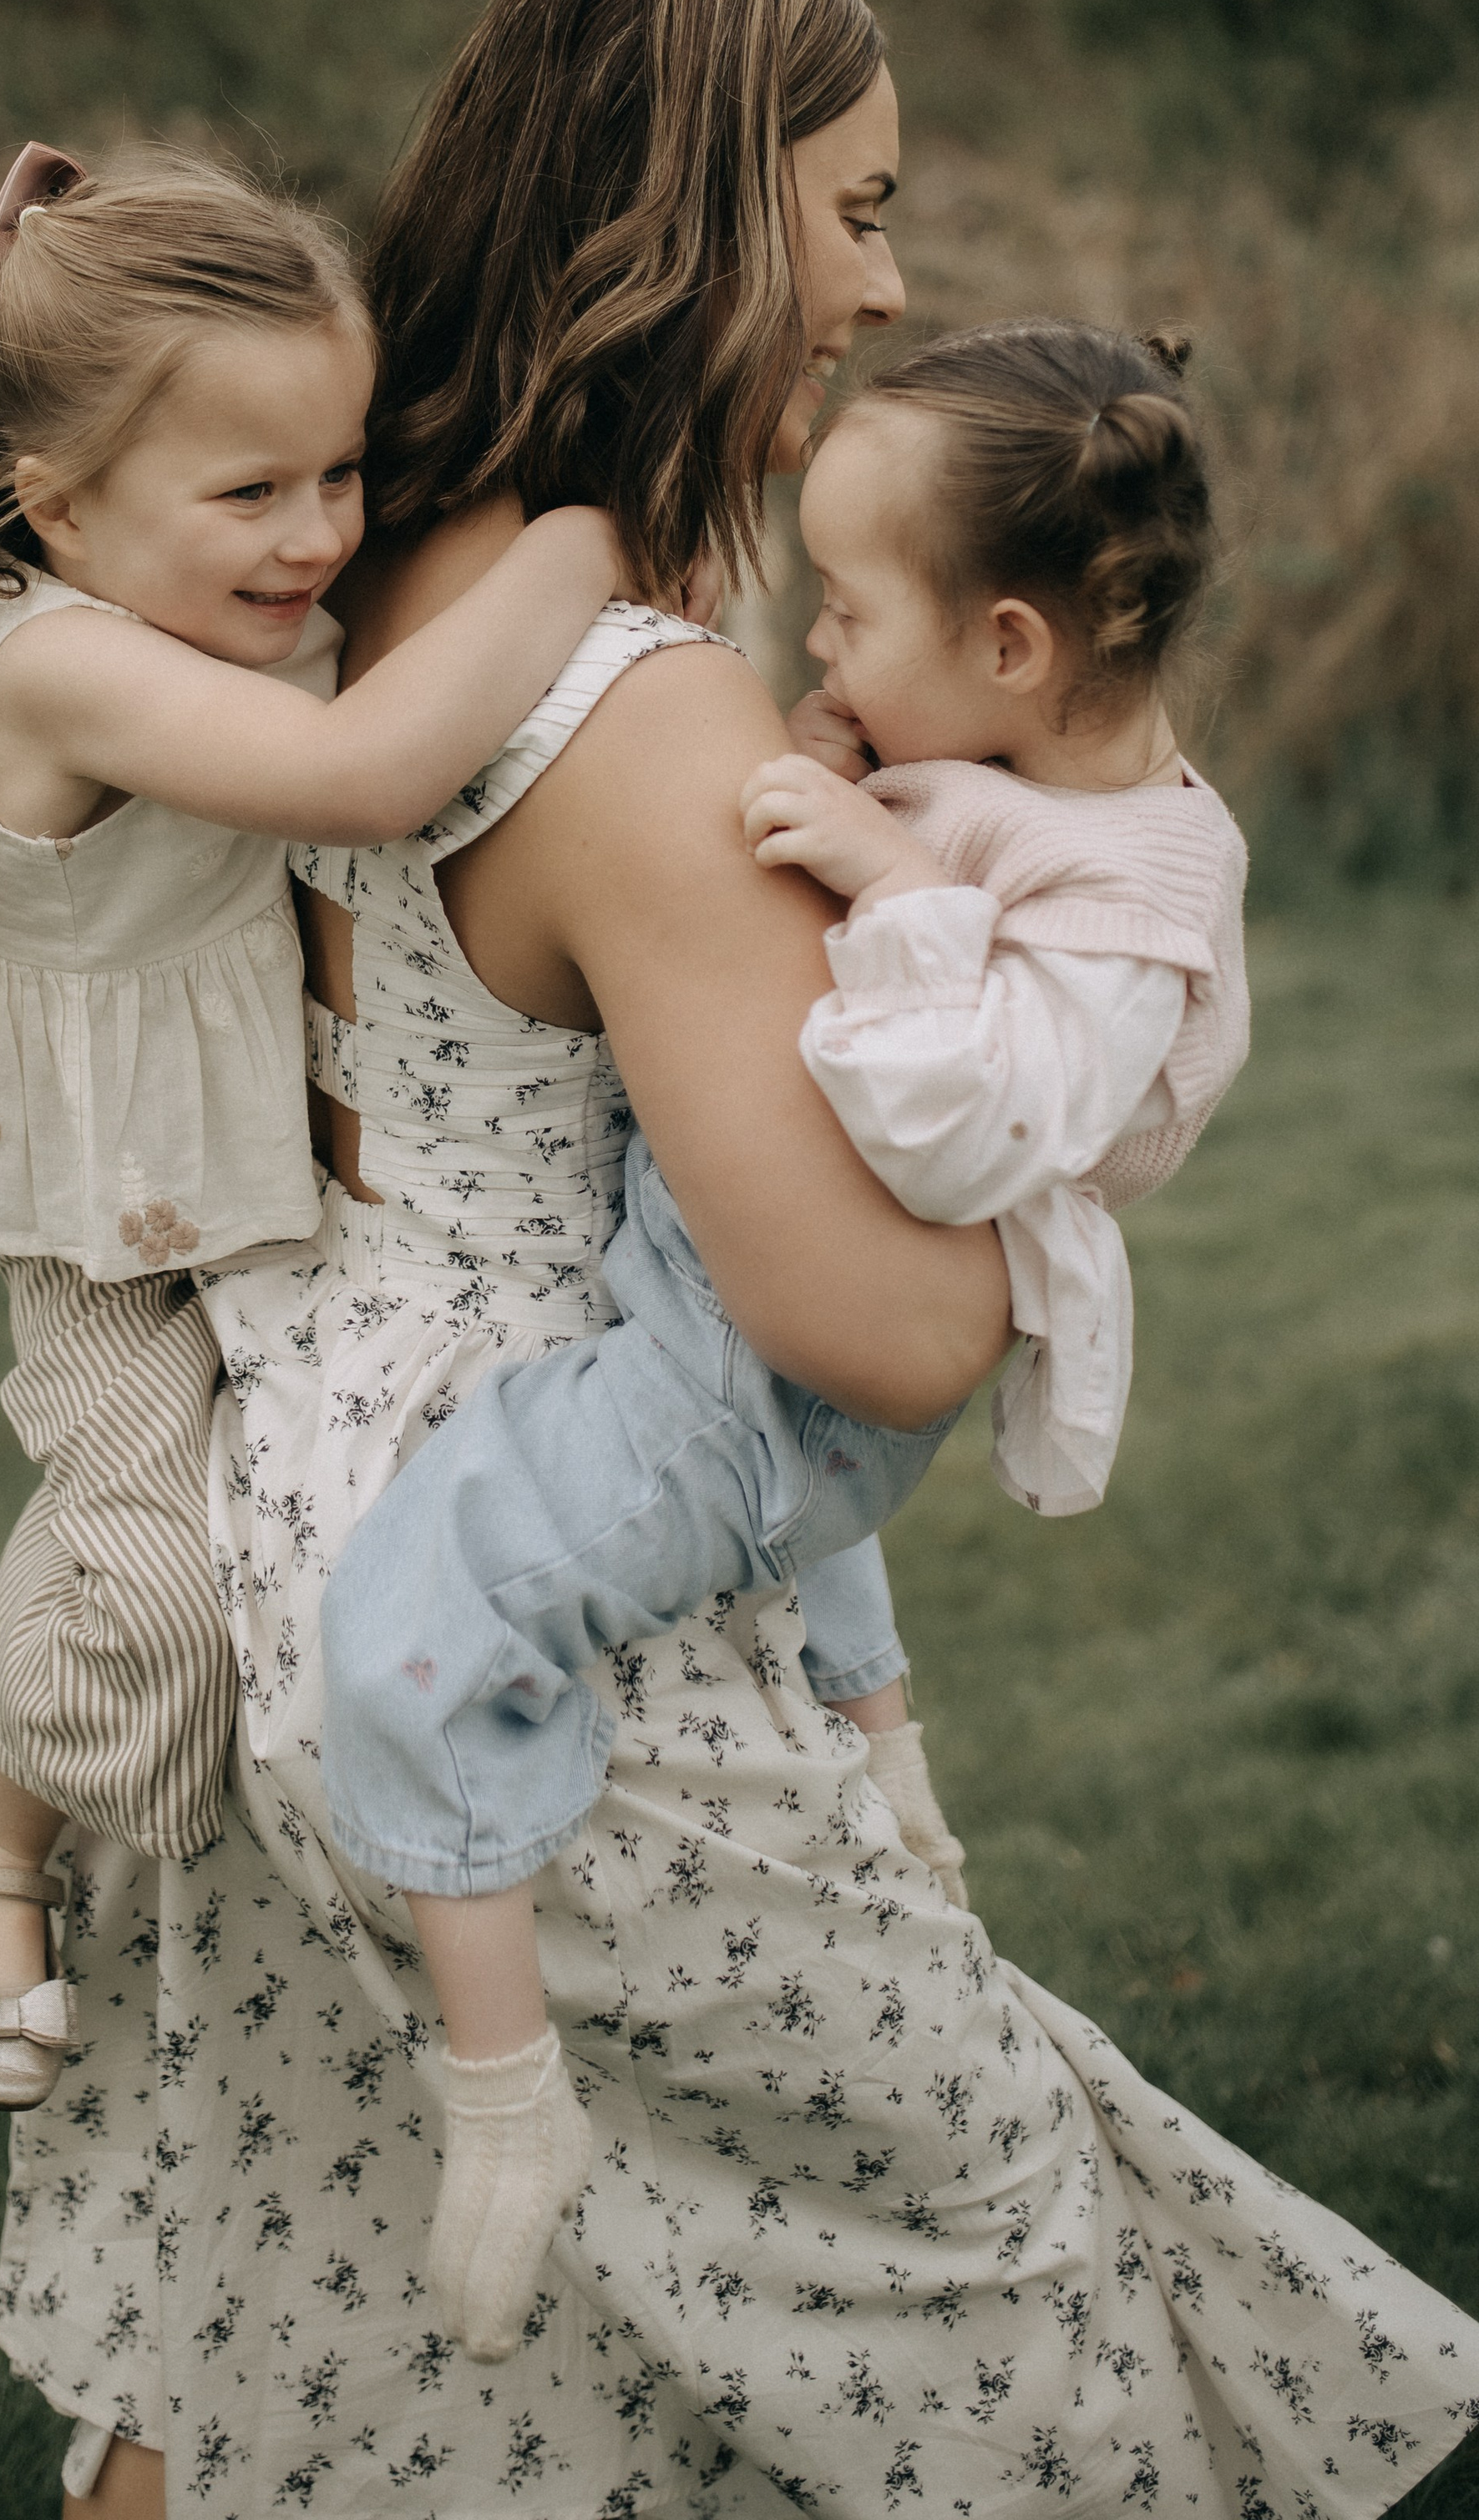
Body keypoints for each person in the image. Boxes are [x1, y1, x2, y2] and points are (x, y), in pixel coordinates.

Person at [0, 0, 1479, 2520]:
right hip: (531, 1598)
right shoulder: (636, 704)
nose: (888, 291)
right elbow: (878, 1330)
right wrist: (1065, 1129)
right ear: (701, 205)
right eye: (859, 208)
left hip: (298, 1520)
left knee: (312, 2317)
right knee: (987, 2283)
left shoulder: (365, 566)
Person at [319, 319, 1252, 2356]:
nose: (808, 651)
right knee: (771, 1505)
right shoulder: (1015, 765)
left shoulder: (1126, 903)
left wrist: (891, 880)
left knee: (414, 1597)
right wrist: (878, 802)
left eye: (840, 611)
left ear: (1008, 648)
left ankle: (501, 2104)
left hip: (774, 1379)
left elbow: (965, 1123)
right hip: (741, 1327)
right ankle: (891, 1766)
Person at [0, 139, 632, 2106]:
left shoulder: (198, 601)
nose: (314, 536)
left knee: (250, 1535)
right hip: (102, 1213)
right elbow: (365, 772)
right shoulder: (54, 662)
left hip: (249, 1183)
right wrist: (575, 550)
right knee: (150, 1555)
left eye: (340, 475)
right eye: (252, 491)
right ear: (56, 506)